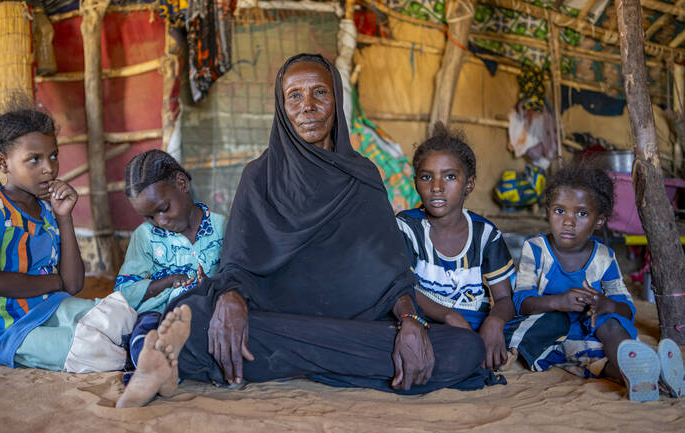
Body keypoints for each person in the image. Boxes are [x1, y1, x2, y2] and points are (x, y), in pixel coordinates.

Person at [115, 53, 492, 408]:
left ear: (336, 99)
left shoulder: (362, 177)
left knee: (463, 348)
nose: (307, 107)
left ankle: (269, 361)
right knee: (198, 313)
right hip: (274, 319)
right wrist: (230, 295)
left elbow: (391, 274)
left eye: (319, 93)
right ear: (282, 108)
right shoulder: (258, 177)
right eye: (294, 96)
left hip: (353, 326)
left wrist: (411, 321)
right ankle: (315, 361)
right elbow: (237, 263)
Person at [0, 109, 136, 372]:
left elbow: (73, 284)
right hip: (11, 331)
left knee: (120, 315)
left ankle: (143, 348)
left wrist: (64, 217)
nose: (49, 168)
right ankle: (143, 355)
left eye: (53, 156)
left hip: (53, 306)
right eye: (34, 159)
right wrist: (53, 282)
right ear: (3, 163)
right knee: (90, 348)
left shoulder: (48, 211)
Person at [512, 162, 684, 401]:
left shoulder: (604, 256)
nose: (569, 221)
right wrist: (558, 301)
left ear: (600, 220)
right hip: (557, 337)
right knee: (600, 360)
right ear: (548, 210)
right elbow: (521, 301)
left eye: (581, 213)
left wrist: (606, 305)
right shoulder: (536, 249)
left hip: (598, 337)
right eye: (560, 211)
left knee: (609, 324)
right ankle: (654, 376)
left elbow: (626, 306)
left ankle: (648, 379)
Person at [395, 126, 520, 371]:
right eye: (426, 176)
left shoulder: (486, 235)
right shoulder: (407, 227)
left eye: (450, 176)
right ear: (416, 183)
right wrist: (448, 315)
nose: (437, 186)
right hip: (428, 321)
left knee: (544, 323)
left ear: (469, 183)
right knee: (395, 330)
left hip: (477, 323)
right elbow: (402, 288)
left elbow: (505, 298)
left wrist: (494, 322)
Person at [115, 150, 225, 407]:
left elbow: (235, 276)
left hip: (203, 315)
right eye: (150, 216)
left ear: (182, 184)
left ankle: (163, 371)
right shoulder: (144, 237)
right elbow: (125, 290)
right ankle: (150, 368)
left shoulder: (222, 228)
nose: (160, 221)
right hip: (157, 314)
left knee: (209, 332)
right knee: (144, 332)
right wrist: (168, 281)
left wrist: (207, 284)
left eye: (163, 209)